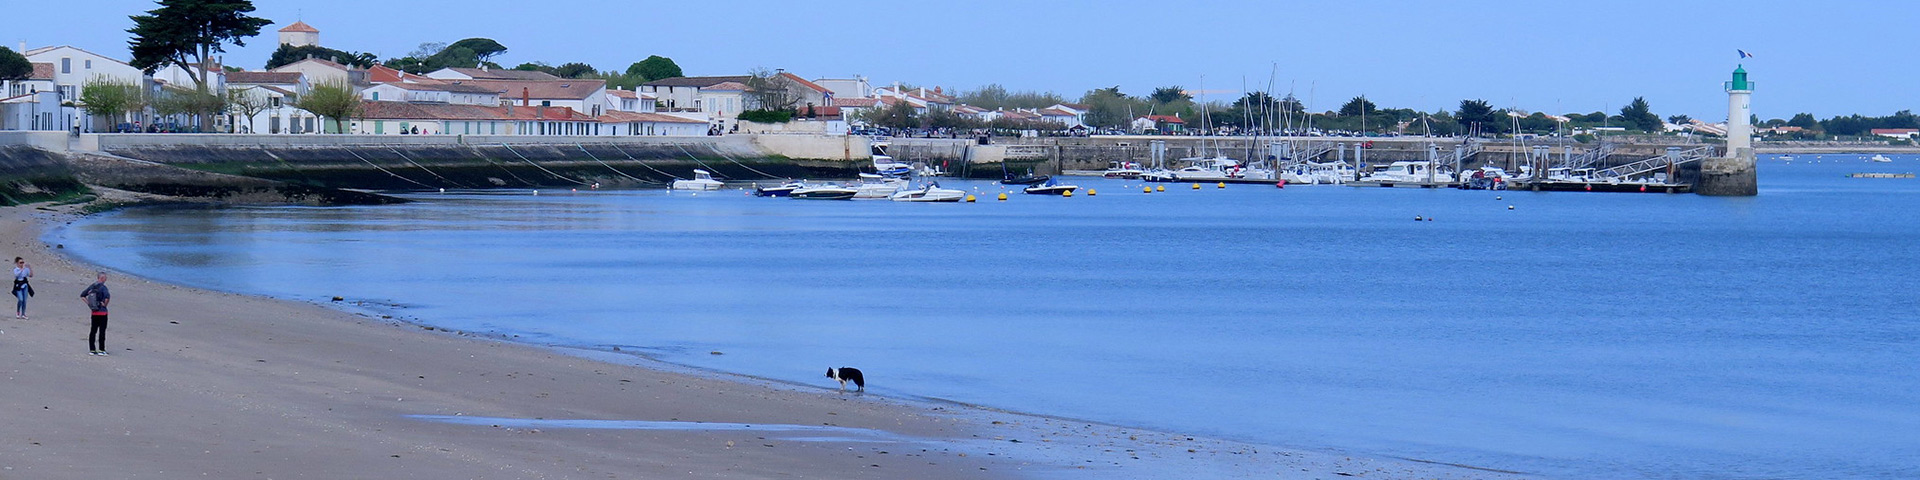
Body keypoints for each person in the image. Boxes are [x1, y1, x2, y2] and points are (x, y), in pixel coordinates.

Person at [80, 272, 111, 356]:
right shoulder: (103, 288)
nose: (106, 279)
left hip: (94, 312)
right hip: (102, 313)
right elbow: (107, 298)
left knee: (93, 331)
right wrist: (105, 305)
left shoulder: (92, 286)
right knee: (102, 331)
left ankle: (92, 349)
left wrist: (89, 304)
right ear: (102, 278)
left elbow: (82, 295)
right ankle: (101, 349)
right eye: (105, 277)